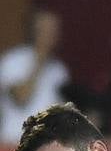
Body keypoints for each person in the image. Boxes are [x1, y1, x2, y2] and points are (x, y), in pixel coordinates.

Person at [0, 9, 70, 143]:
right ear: (33, 31)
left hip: (46, 146)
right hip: (15, 142)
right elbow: (21, 97)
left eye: (54, 29)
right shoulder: (13, 60)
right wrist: (39, 61)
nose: (50, 34)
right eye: (45, 29)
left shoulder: (59, 69)